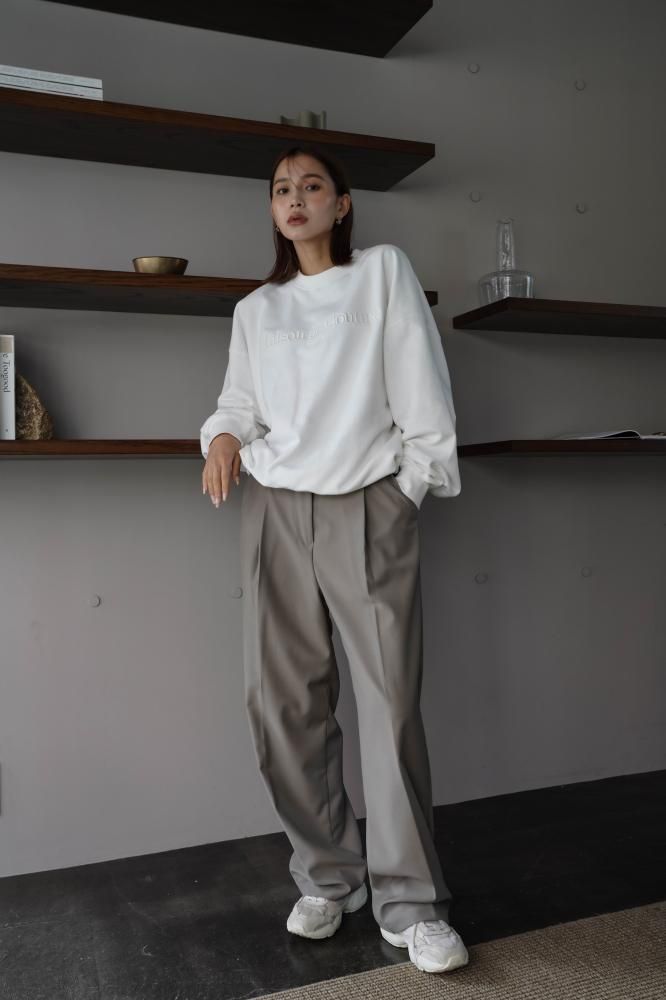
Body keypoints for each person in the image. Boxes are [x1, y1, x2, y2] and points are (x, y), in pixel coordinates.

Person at [200, 143, 469, 976]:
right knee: (281, 705)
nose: (295, 198)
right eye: (282, 188)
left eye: (312, 185)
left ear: (342, 204)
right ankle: (329, 877)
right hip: (275, 510)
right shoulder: (257, 309)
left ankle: (413, 905)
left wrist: (407, 491)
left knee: (390, 709)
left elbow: (422, 386)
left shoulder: (382, 273)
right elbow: (239, 402)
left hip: (367, 504)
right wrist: (222, 437)